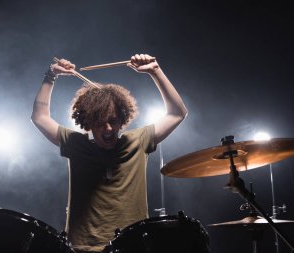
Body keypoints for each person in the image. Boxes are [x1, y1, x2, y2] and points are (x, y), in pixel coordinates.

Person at [31, 54, 188, 253]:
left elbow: (177, 113)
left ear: (122, 120)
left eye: (113, 121)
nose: (107, 129)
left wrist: (155, 71)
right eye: (99, 123)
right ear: (88, 124)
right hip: (82, 248)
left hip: (132, 246)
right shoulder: (75, 144)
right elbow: (39, 117)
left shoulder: (137, 141)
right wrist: (51, 75)